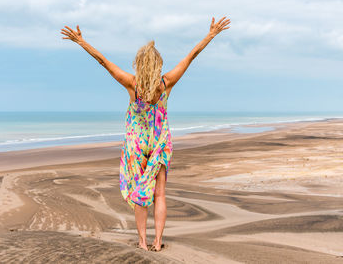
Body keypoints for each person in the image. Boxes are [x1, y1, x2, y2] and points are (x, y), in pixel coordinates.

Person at [60, 16, 230, 251]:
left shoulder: (132, 84)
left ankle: (142, 241)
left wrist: (81, 41)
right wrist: (210, 35)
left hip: (136, 144)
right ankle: (158, 242)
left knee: (141, 193)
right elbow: (191, 57)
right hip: (159, 142)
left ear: (138, 64)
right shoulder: (166, 83)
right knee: (160, 194)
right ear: (158, 64)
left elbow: (103, 61)